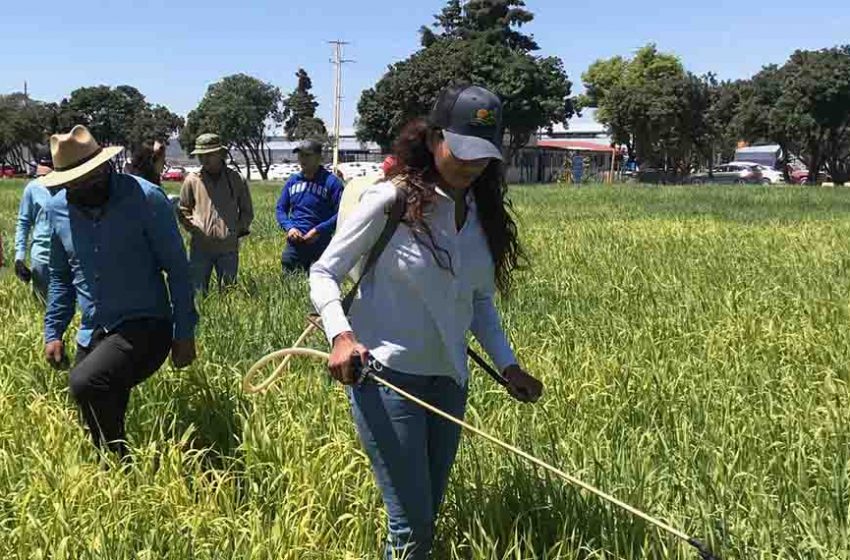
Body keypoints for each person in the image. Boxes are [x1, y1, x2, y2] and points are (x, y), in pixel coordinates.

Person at [309, 84, 544, 559]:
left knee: (424, 513)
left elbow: (478, 302)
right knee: (411, 526)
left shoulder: (480, 213)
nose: (470, 164)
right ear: (434, 137)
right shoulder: (390, 201)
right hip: (387, 379)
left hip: (450, 383)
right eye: (460, 151)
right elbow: (323, 272)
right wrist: (342, 336)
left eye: (482, 155)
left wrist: (508, 366)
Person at [39, 125, 197, 458]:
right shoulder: (57, 211)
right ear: (66, 182)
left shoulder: (145, 199)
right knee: (98, 404)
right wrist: (53, 330)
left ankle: (117, 462)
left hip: (146, 324)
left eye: (96, 175)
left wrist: (184, 333)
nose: (91, 185)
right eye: (78, 182)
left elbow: (179, 270)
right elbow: (60, 276)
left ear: (105, 165)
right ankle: (118, 471)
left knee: (84, 383)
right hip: (94, 329)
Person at [178, 133, 254, 293]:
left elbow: (247, 211)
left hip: (228, 248)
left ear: (220, 154)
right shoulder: (192, 180)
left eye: (209, 155)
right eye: (201, 156)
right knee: (197, 292)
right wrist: (194, 228)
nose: (204, 159)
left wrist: (235, 231)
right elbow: (184, 209)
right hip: (200, 247)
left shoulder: (235, 179)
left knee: (228, 292)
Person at [276, 140, 344, 273]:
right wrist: (290, 228)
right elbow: (280, 209)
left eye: (307, 155)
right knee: (290, 284)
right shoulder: (292, 181)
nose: (302, 159)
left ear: (319, 157)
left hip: (321, 246)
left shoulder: (332, 182)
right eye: (300, 155)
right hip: (295, 245)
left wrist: (319, 230)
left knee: (321, 285)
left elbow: (341, 213)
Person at [14, 153, 54, 304]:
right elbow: (23, 223)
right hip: (42, 257)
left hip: (71, 257)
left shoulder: (72, 187)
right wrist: (19, 257)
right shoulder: (33, 188)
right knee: (42, 307)